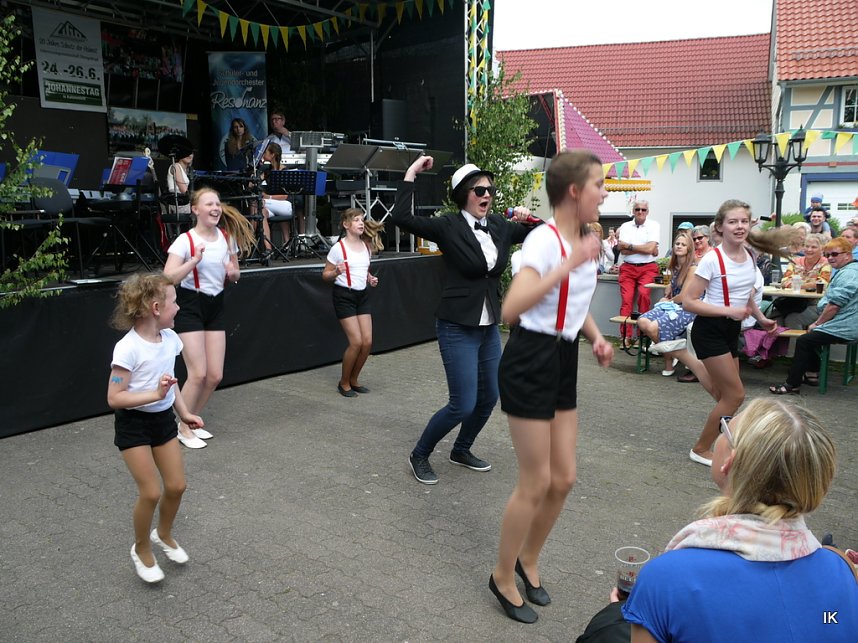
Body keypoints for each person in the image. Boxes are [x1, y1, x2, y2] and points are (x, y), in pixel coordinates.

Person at [488, 150, 613, 624]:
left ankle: (529, 558)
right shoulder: (543, 241)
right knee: (535, 480)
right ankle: (502, 574)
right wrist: (569, 263)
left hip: (564, 357)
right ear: (575, 192)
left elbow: (576, 304)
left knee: (563, 478)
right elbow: (511, 307)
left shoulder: (588, 240)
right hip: (529, 358)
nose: (605, 193)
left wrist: (598, 338)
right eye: (599, 185)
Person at [623, 398, 858, 643]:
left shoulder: (667, 579)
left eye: (724, 429)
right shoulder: (842, 572)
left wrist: (637, 613)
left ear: (730, 462)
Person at [392, 156, 534, 485]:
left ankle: (461, 449)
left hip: (487, 327)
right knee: (462, 404)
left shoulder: (498, 225)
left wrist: (529, 219)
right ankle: (419, 454)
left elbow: (541, 232)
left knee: (490, 397)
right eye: (479, 189)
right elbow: (401, 216)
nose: (487, 195)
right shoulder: (447, 225)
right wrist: (411, 172)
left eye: (491, 189)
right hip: (456, 326)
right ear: (463, 194)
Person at [107, 273, 204, 583]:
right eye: (175, 302)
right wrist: (154, 394)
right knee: (150, 492)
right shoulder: (128, 349)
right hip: (134, 425)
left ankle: (163, 534)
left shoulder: (171, 340)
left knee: (176, 486)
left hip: (163, 421)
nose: (179, 308)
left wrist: (185, 412)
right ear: (156, 307)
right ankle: (141, 547)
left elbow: (170, 383)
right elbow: (115, 397)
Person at [680, 200, 790, 466]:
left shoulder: (750, 256)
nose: (739, 226)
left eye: (743, 221)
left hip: (731, 330)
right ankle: (702, 448)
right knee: (735, 396)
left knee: (724, 395)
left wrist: (761, 318)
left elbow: (747, 296)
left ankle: (690, 362)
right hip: (709, 330)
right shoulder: (712, 260)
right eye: (732, 221)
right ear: (720, 227)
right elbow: (688, 301)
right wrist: (727, 310)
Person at [163, 188, 255, 448]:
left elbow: (235, 274)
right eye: (209, 204)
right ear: (195, 210)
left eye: (217, 203)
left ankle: (190, 420)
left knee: (214, 376)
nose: (216, 208)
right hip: (191, 304)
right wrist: (193, 261)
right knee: (198, 374)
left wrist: (232, 272)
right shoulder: (185, 240)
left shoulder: (226, 238)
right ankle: (183, 426)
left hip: (216, 304)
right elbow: (168, 278)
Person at [770, 236, 858, 394]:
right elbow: (785, 280)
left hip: (845, 326)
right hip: (841, 322)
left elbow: (834, 305)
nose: (830, 258)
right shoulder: (847, 270)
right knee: (810, 335)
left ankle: (792, 384)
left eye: (835, 254)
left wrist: (818, 323)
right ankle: (810, 374)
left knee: (805, 339)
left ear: (848, 254)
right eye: (828, 254)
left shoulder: (849, 274)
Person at [637, 230, 713, 390]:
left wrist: (667, 300)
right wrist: (668, 291)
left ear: (689, 248)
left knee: (652, 327)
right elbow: (673, 288)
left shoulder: (693, 268)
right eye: (677, 243)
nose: (679, 246)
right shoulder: (675, 266)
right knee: (642, 321)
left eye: (683, 244)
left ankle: (669, 360)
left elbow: (685, 296)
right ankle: (672, 354)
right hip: (674, 305)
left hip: (689, 308)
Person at [322, 208, 384, 397]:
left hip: (362, 295)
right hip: (344, 296)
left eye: (362, 220)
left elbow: (361, 270)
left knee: (367, 342)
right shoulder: (338, 248)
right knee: (356, 342)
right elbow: (325, 275)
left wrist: (369, 278)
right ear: (346, 225)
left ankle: (354, 379)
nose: (361, 223)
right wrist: (336, 273)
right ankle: (344, 382)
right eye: (356, 220)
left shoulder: (366, 246)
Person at [616, 199, 660, 349]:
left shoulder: (654, 225)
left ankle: (643, 337)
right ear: (633, 211)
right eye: (637, 209)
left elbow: (650, 250)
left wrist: (630, 246)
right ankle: (626, 337)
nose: (640, 212)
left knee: (643, 296)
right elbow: (622, 250)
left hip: (648, 268)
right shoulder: (625, 226)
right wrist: (646, 247)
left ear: (648, 211)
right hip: (628, 267)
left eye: (643, 210)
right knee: (626, 301)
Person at [771, 232, 832, 329]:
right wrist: (809, 283)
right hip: (793, 301)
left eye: (813, 247)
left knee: (793, 319)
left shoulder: (826, 263)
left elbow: (822, 284)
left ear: (822, 249)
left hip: (815, 303)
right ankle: (778, 344)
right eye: (806, 246)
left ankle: (796, 344)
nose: (809, 250)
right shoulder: (795, 261)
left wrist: (797, 283)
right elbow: (784, 280)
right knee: (774, 318)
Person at [259, 142, 294, 251]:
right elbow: (253, 183)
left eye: (265, 152)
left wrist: (267, 197)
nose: (263, 154)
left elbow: (284, 196)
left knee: (260, 202)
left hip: (285, 205)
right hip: (272, 206)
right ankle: (268, 247)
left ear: (273, 154)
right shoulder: (267, 171)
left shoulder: (284, 171)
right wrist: (259, 168)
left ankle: (286, 242)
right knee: (261, 212)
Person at [166, 151, 193, 215]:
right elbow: (183, 190)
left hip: (184, 202)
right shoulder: (176, 166)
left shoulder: (187, 170)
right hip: (177, 203)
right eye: (187, 153)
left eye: (191, 153)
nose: (189, 155)